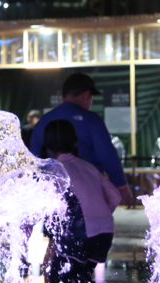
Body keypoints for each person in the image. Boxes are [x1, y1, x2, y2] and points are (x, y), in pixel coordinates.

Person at [42, 120, 121, 283]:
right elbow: (115, 196)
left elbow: (48, 205)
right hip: (105, 231)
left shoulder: (53, 169)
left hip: (81, 232)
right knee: (83, 274)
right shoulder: (88, 166)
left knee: (57, 273)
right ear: (74, 142)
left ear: (48, 145)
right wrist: (100, 218)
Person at [29, 73, 133, 207]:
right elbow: (107, 155)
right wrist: (121, 186)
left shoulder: (43, 122)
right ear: (86, 95)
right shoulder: (92, 120)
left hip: (54, 196)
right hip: (90, 191)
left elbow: (34, 161)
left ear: (63, 95)